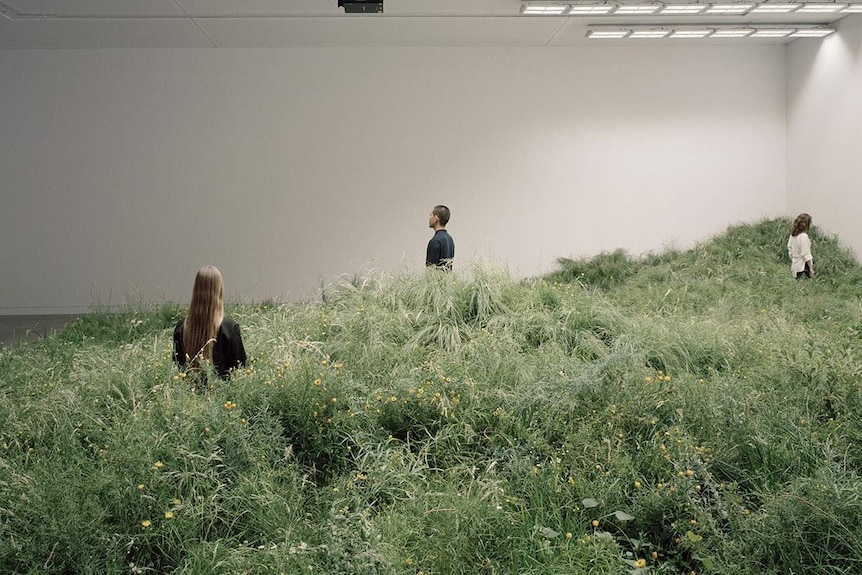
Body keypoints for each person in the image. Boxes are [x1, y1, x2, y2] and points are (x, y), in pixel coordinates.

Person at [173, 265, 247, 380]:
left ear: (196, 290)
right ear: (219, 290)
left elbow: (178, 365)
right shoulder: (229, 328)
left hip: (188, 394)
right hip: (223, 395)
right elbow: (239, 367)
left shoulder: (181, 327)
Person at [426, 205, 455, 271]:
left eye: (431, 215)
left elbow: (430, 269)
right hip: (447, 280)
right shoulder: (450, 239)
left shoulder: (435, 241)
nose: (429, 218)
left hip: (437, 280)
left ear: (436, 218)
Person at [787, 213, 814, 279]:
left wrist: (794, 259)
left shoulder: (793, 235)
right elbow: (806, 254)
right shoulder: (804, 237)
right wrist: (811, 269)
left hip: (795, 266)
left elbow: (789, 248)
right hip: (803, 267)